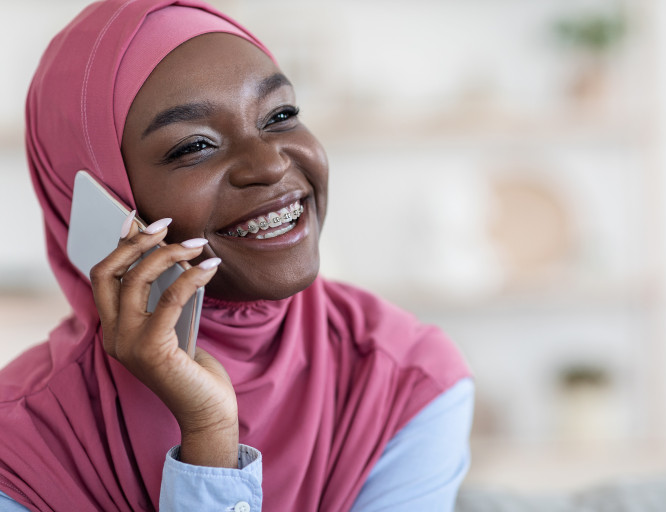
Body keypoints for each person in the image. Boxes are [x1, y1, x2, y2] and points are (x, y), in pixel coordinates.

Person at [0, 0, 473, 511]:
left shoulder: (405, 378)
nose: (269, 163)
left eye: (281, 115)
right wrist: (209, 436)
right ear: (101, 201)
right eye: (193, 146)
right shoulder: (20, 448)